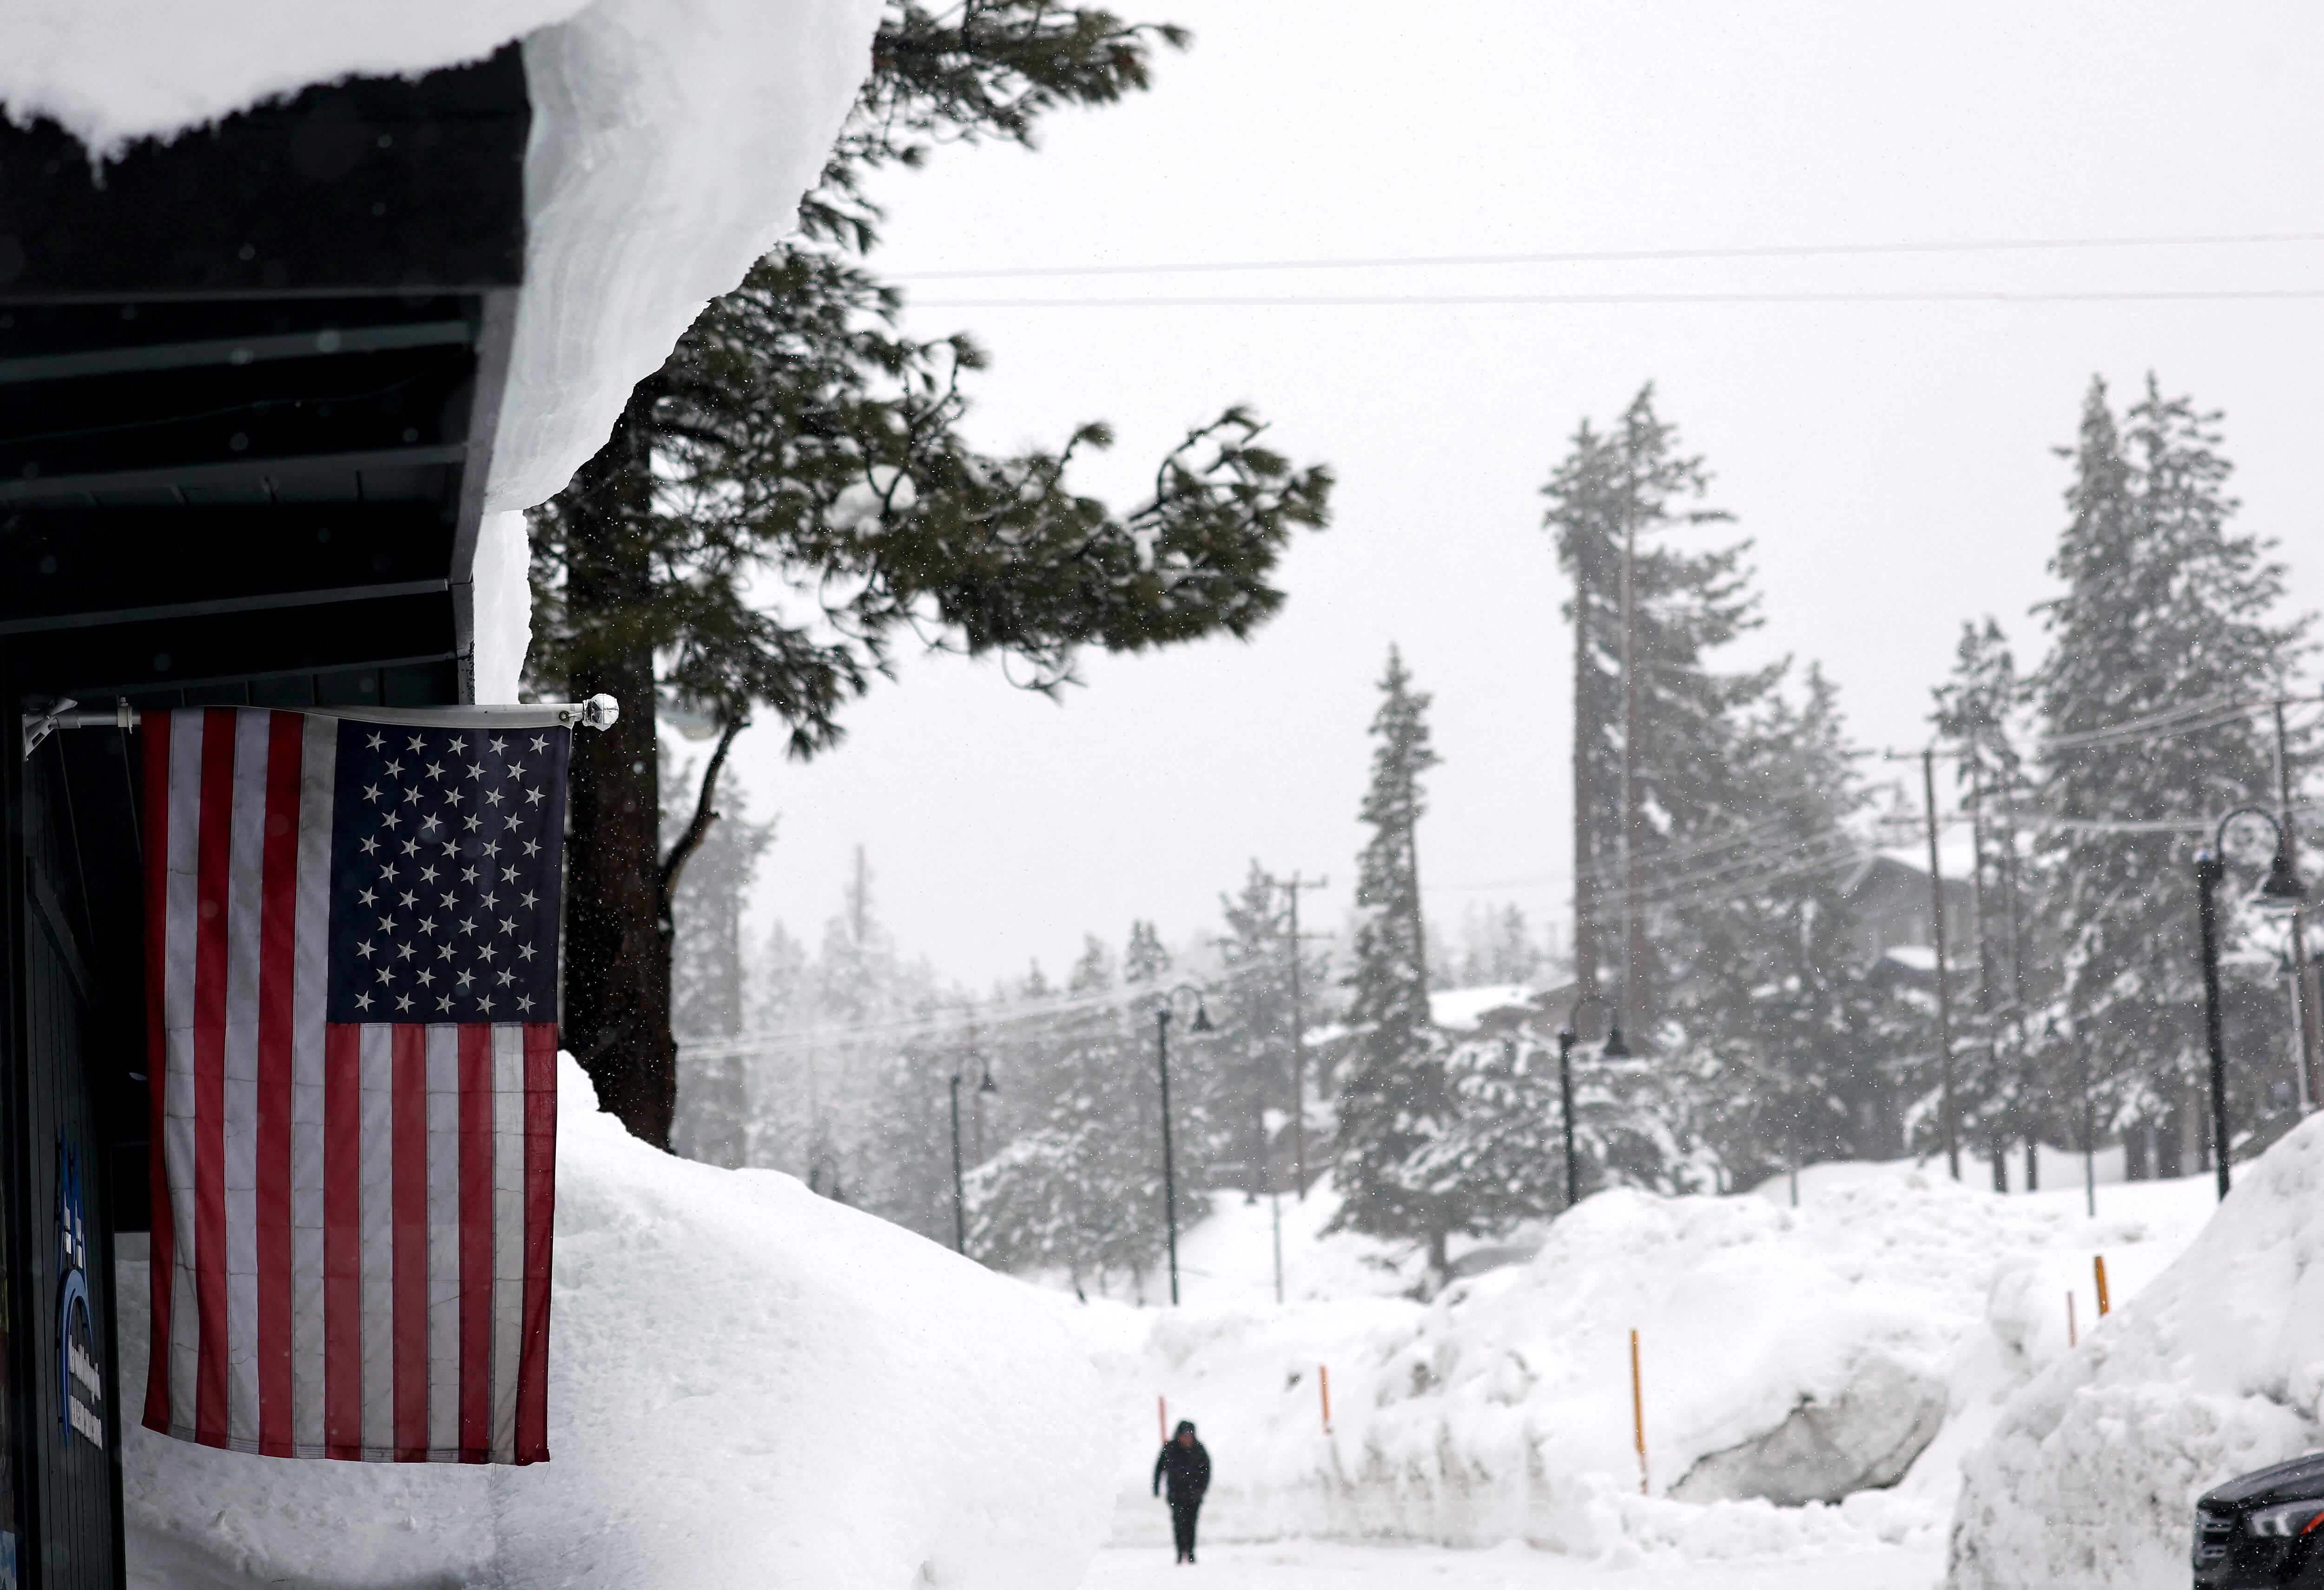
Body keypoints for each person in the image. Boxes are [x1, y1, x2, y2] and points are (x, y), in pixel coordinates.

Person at [1152, 1418, 1211, 1564]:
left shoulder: (1199, 1449)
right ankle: (1180, 1553)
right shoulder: (1170, 1449)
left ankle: (1191, 1553)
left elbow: (1206, 1471)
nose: (1186, 1438)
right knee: (1179, 1524)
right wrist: (1156, 1487)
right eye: (1184, 1435)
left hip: (1194, 1495)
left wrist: (1201, 1490)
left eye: (1189, 1435)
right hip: (1176, 1495)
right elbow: (1159, 1468)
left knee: (1192, 1524)